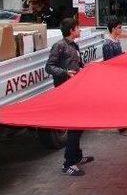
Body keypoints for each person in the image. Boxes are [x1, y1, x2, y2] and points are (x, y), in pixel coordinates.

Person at [44, 18, 93, 176]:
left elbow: (77, 64)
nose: (80, 30)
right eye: (78, 28)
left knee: (79, 125)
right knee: (74, 127)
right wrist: (66, 73)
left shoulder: (74, 45)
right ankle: (68, 164)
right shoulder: (59, 46)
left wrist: (85, 70)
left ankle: (76, 156)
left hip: (76, 90)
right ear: (71, 30)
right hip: (65, 92)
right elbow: (49, 67)